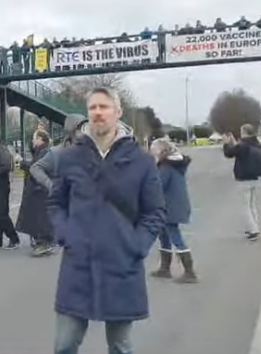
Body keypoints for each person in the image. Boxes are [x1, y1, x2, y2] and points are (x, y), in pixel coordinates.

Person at [48, 87, 166, 354]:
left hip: (121, 265)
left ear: (118, 112)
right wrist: (66, 234)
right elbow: (56, 203)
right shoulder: (70, 158)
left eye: (104, 107)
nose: (98, 113)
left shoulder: (141, 161)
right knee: (64, 345)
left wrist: (136, 245)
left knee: (120, 346)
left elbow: (155, 212)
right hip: (78, 266)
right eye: (93, 108)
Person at [148, 139, 197, 283]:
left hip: (171, 207)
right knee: (163, 235)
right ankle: (165, 268)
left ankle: (190, 271)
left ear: (161, 151)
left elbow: (158, 186)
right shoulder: (172, 164)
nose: (152, 152)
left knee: (175, 237)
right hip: (170, 206)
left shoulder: (166, 167)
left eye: (154, 150)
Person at [222, 124, 261, 241]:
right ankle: (254, 226)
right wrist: (234, 142)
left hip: (244, 180)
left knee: (245, 207)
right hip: (255, 178)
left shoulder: (244, 145)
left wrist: (226, 143)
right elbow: (237, 150)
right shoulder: (258, 144)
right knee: (252, 205)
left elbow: (229, 153)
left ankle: (254, 230)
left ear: (244, 132)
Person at [16, 130, 55, 257]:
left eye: (34, 138)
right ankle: (42, 241)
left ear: (40, 139)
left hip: (40, 190)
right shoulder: (42, 151)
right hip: (39, 189)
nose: (32, 141)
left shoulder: (44, 152)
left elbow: (34, 167)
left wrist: (21, 161)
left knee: (40, 218)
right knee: (39, 218)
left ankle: (44, 242)